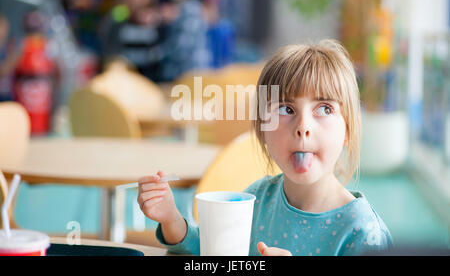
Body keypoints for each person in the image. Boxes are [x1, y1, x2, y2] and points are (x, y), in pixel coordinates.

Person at [137, 39, 394, 256]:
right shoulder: (257, 198)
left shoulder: (364, 233)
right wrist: (171, 218)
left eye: (324, 109)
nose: (303, 127)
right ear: (263, 128)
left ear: (348, 129)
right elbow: (212, 254)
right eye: (285, 109)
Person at [158, 0, 210, 82]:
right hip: (187, 73)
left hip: (188, 74)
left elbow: (183, 48)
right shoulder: (183, 10)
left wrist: (157, 54)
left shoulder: (190, 11)